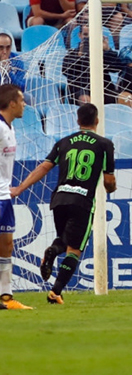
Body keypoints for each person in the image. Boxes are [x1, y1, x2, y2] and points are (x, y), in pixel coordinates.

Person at [11, 104, 118, 305]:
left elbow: (43, 167)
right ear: (97, 120)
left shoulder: (63, 142)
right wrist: (111, 188)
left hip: (59, 200)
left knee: (64, 240)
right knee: (74, 249)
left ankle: (52, 250)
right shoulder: (104, 144)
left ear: (77, 121)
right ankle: (56, 292)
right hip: (82, 201)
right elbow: (109, 181)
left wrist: (19, 189)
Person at [0, 84, 29, 310]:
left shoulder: (10, 128)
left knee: (7, 244)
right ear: (11, 103)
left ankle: (5, 297)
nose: (24, 104)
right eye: (21, 100)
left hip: (4, 195)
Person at [62, 24, 124, 104]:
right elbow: (66, 72)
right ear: (80, 35)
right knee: (85, 99)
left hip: (104, 89)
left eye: (92, 34)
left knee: (126, 97)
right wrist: (80, 56)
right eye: (86, 35)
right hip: (82, 90)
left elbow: (117, 68)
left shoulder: (103, 53)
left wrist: (107, 50)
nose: (89, 38)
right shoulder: (72, 54)